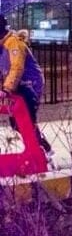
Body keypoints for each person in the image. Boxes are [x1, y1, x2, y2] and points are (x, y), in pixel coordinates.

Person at [0, 15, 52, 154]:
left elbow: (17, 67)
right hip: (19, 86)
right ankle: (41, 148)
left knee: (26, 120)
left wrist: (6, 88)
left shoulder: (13, 43)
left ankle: (41, 151)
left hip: (29, 85)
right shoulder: (2, 46)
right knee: (17, 122)